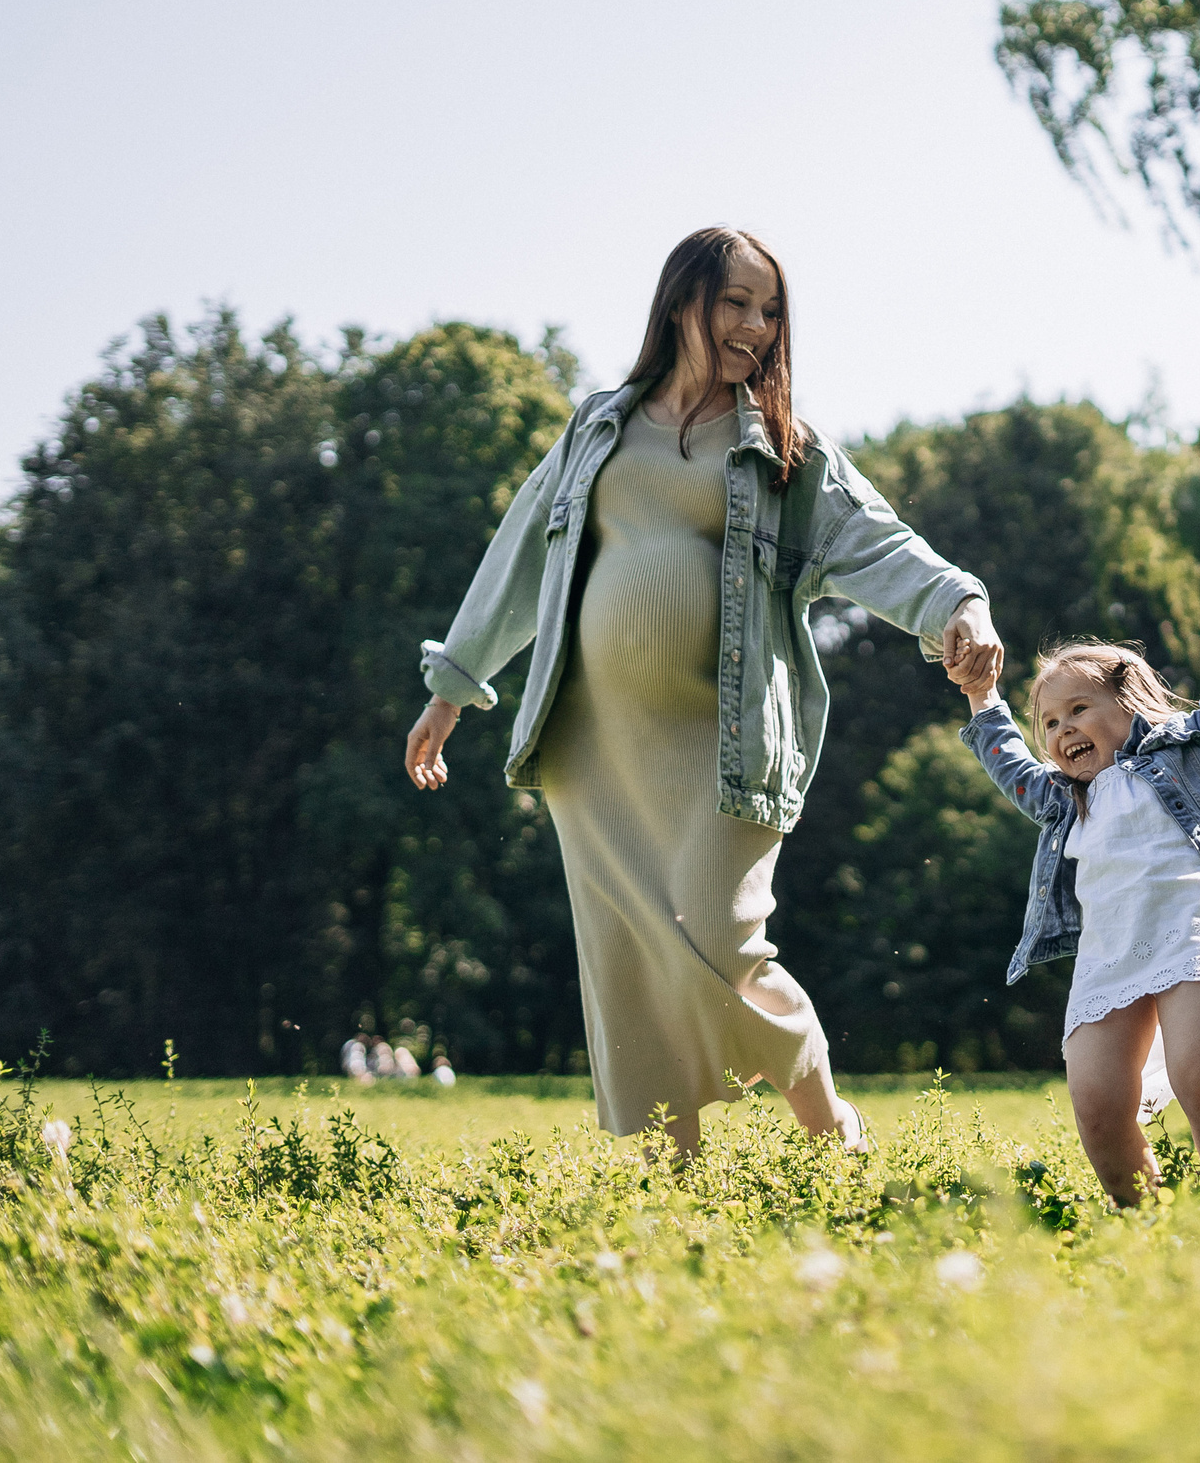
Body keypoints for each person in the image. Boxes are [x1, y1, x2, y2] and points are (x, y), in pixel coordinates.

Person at [403, 226, 1000, 1161]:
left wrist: (959, 603)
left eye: (771, 311)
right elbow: (520, 555)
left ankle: (829, 1126)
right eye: (737, 303)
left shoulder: (784, 449)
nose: (756, 327)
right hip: (592, 746)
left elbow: (881, 542)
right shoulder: (599, 425)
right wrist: (452, 687)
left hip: (726, 745)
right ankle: (672, 1185)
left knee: (723, 941)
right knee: (627, 965)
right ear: (683, 300)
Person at [952, 522, 1200, 1204]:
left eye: (1078, 709)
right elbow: (1007, 759)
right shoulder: (1065, 796)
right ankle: (1146, 1222)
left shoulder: (1189, 746)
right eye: (1051, 723)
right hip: (1111, 951)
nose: (1063, 729)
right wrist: (982, 696)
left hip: (1191, 929)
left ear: (1128, 704)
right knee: (1097, 1103)